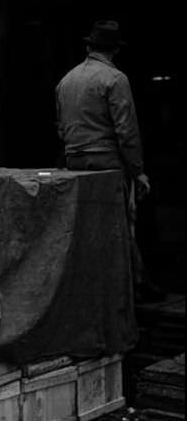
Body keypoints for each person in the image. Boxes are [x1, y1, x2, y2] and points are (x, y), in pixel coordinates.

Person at [55, 19, 164, 303]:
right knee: (119, 225)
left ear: (89, 46)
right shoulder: (115, 80)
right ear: (114, 50)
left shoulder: (65, 81)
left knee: (88, 228)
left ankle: (99, 289)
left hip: (75, 162)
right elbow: (126, 131)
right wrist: (138, 172)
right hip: (107, 163)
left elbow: (61, 127)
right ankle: (133, 285)